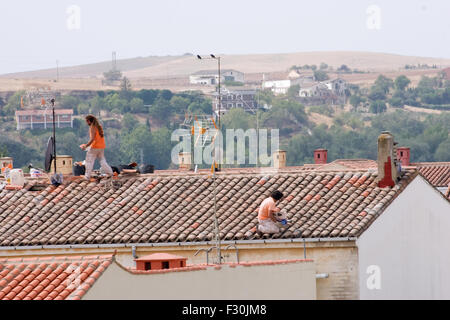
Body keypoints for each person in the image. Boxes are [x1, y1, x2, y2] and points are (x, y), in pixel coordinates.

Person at [79, 115, 113, 180]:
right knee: (102, 161)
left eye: (87, 121)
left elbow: (92, 139)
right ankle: (110, 172)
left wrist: (85, 146)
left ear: (89, 121)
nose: (86, 123)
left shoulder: (92, 127)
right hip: (101, 147)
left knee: (89, 161)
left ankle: (87, 176)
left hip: (95, 147)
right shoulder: (99, 127)